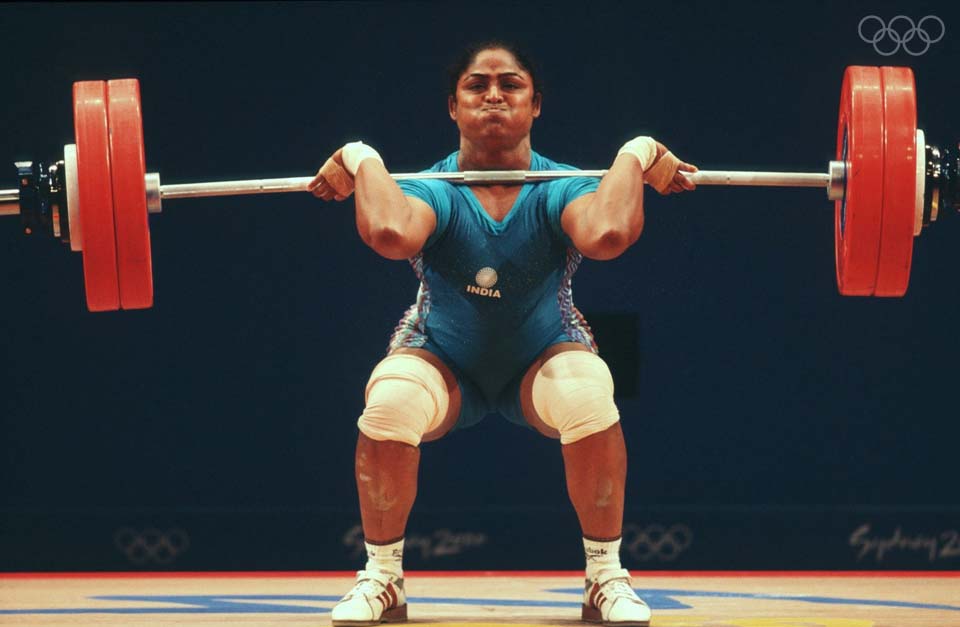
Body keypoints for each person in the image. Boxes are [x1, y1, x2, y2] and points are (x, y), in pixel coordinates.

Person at [308, 41, 696, 627]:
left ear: (535, 104)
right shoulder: (429, 189)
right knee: (388, 401)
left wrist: (634, 153)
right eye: (477, 84)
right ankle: (383, 578)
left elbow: (609, 234)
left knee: (589, 390)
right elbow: (391, 234)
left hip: (541, 355)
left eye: (510, 84)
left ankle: (604, 577)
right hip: (442, 356)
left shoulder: (561, 186)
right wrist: (364, 158)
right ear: (453, 106)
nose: (493, 94)